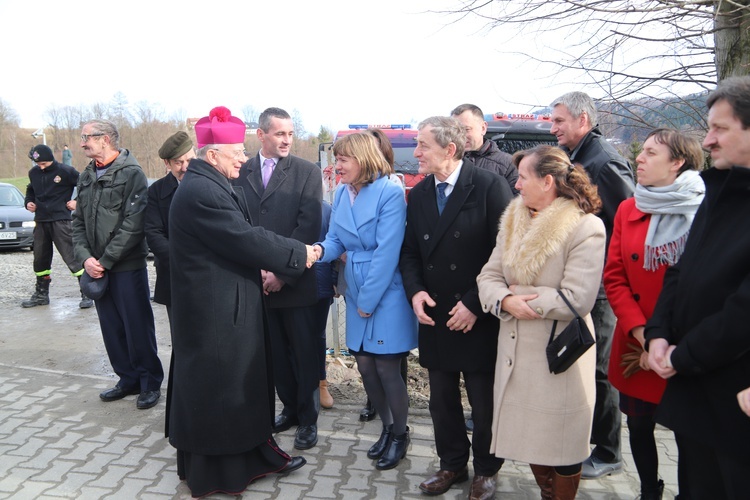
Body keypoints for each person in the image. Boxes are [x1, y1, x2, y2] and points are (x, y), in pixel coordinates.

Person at [167, 106, 316, 497]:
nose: (244, 159)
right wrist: (300, 254)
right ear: (213, 155)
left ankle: (255, 455)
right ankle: (223, 472)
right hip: (213, 314)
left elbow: (246, 235)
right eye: (237, 152)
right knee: (222, 391)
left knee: (240, 388)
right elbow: (245, 238)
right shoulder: (202, 191)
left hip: (224, 307)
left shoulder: (211, 183)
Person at [476, 145, 605, 499]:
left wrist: (522, 296)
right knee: (528, 439)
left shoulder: (585, 227)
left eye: (522, 177)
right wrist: (505, 299)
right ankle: (547, 491)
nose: (516, 184)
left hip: (558, 354)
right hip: (515, 353)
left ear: (547, 181)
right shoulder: (515, 219)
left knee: (561, 444)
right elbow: (487, 276)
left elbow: (578, 298)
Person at [645, 76, 750, 499]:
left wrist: (682, 355)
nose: (707, 141)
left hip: (734, 398)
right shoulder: (720, 190)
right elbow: (682, 270)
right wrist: (658, 333)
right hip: (693, 389)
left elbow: (744, 308)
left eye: (720, 129)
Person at [400, 116, 513, 499]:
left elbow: (505, 254)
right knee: (441, 401)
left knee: (483, 402)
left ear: (449, 150)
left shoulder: (488, 186)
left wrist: (473, 304)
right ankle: (452, 465)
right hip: (435, 313)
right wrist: (415, 291)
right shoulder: (417, 195)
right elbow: (410, 251)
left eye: (422, 146)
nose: (415, 153)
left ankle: (486, 470)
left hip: (477, 314)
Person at [604, 129, 705, 500]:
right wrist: (643, 334)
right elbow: (614, 276)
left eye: (650, 152)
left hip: (687, 343)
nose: (639, 159)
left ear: (677, 162)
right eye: (641, 151)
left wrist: (670, 344)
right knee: (639, 423)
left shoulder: (706, 209)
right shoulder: (630, 206)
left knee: (687, 429)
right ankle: (649, 490)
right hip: (638, 338)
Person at [314, 132, 418, 470]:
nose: (337, 165)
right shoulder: (344, 192)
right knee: (365, 366)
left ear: (362, 159)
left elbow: (387, 254)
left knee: (387, 367)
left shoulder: (389, 191)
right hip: (357, 288)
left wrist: (368, 301)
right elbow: (335, 239)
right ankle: (387, 428)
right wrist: (316, 252)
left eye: (343, 159)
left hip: (385, 291)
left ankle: (400, 434)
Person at [550, 91, 635, 478]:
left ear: (583, 120)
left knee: (600, 368)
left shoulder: (603, 161)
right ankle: (585, 438)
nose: (553, 128)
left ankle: (608, 450)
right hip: (581, 280)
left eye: (559, 121)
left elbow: (628, 221)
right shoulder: (580, 156)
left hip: (600, 286)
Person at [232, 107, 323, 450]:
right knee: (275, 355)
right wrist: (258, 269)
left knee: (303, 352)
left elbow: (308, 227)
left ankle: (308, 419)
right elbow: (238, 224)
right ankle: (289, 408)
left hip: (294, 281)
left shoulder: (306, 172)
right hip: (256, 280)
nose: (287, 140)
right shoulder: (242, 171)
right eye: (280, 134)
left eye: (290, 134)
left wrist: (282, 273)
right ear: (262, 135)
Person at [72, 119, 163, 410]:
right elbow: (77, 223)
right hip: (96, 267)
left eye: (87, 137)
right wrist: (86, 258)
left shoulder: (132, 174)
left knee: (137, 325)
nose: (83, 142)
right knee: (111, 327)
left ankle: (149, 381)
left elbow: (133, 225)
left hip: (125, 265)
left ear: (105, 139)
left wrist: (105, 260)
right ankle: (128, 379)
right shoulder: (86, 175)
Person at [358, 127, 409, 423]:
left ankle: (396, 424)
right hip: (358, 278)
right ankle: (378, 406)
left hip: (384, 281)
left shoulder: (390, 189)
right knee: (369, 360)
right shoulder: (347, 191)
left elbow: (386, 247)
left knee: (389, 359)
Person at [22, 144, 92, 309]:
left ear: (51, 159)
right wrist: (29, 202)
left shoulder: (65, 171)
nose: (41, 167)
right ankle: (41, 294)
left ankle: (87, 293)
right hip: (41, 221)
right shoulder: (34, 173)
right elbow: (30, 190)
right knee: (40, 259)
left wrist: (78, 202)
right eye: (38, 164)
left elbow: (86, 186)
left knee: (72, 257)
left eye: (44, 164)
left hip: (61, 220)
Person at [145, 131, 195, 326]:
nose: (185, 167)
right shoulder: (156, 192)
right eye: (178, 163)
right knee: (180, 332)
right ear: (167, 164)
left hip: (207, 274)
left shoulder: (211, 184)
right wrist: (180, 260)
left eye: (189, 160)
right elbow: (153, 233)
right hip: (173, 273)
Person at [450, 103, 519, 195]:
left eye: (466, 129)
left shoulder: (508, 164)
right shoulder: (446, 161)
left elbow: (516, 202)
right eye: (456, 130)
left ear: (483, 128)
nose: (461, 136)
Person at [314, 200, 336, 410]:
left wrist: (336, 279)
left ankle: (321, 384)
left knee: (318, 335)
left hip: (320, 282)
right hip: (287, 281)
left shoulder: (326, 209)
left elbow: (336, 242)